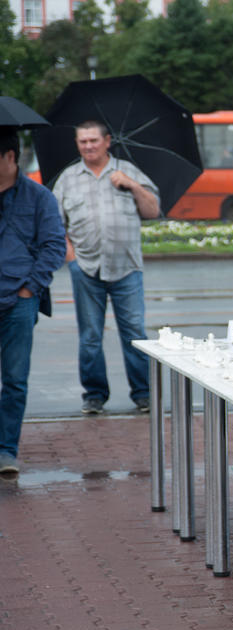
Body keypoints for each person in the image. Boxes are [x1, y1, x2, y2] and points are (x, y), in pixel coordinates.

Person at [53, 119, 160, 415]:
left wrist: (132, 185)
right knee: (90, 337)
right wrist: (72, 259)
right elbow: (55, 225)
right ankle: (94, 395)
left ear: (107, 141)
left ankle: (143, 394)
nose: (88, 146)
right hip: (86, 268)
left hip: (127, 268)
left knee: (135, 333)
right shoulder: (68, 179)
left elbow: (152, 210)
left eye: (93, 140)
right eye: (83, 141)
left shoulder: (128, 171)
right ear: (78, 145)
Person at [0, 128, 66, 477]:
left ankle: (6, 450)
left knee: (14, 380)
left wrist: (30, 289)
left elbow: (54, 246)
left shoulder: (39, 197)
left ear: (10, 157)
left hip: (19, 302)